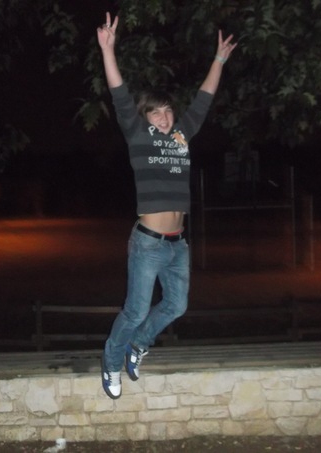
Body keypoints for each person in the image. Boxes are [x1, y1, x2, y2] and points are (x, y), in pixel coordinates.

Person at [97, 12, 237, 399]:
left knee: (176, 306)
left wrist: (218, 60)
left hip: (178, 243)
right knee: (136, 310)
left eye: (168, 110)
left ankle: (138, 345)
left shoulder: (181, 137)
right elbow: (119, 94)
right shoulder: (139, 136)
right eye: (155, 111)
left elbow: (203, 100)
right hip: (148, 242)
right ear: (145, 117)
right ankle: (111, 361)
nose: (164, 116)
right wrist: (108, 50)